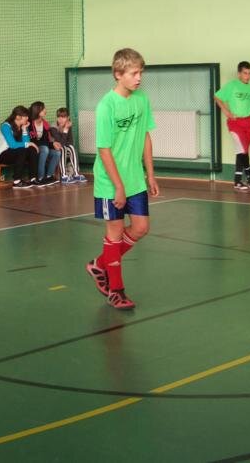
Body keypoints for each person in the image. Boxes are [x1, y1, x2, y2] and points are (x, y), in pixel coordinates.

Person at [85, 48, 160, 310]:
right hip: (110, 182)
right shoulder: (106, 106)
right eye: (134, 73)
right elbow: (104, 149)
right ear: (118, 74)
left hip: (135, 179)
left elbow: (146, 136)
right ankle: (116, 291)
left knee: (141, 227)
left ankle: (100, 264)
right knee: (115, 234)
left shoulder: (142, 99)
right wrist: (118, 186)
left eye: (141, 73)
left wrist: (150, 174)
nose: (139, 78)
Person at [214, 61, 250, 190]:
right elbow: (217, 97)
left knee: (242, 150)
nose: (248, 76)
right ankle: (249, 175)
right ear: (239, 73)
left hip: (248, 122)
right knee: (242, 149)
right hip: (235, 122)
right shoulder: (232, 85)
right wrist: (226, 111)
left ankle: (238, 181)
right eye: (245, 73)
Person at [0, 105, 40, 189]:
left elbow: (26, 143)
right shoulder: (5, 126)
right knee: (23, 149)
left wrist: (24, 129)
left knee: (31, 149)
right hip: (2, 155)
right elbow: (12, 145)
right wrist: (29, 144)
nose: (27, 118)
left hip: (15, 153)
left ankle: (33, 178)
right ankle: (17, 181)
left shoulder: (22, 126)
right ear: (18, 117)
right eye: (25, 116)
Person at [28, 101, 61, 186]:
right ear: (37, 111)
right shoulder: (29, 123)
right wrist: (50, 144)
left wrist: (53, 143)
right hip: (31, 148)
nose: (45, 110)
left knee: (57, 153)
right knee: (45, 149)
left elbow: (46, 141)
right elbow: (32, 140)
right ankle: (40, 178)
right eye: (43, 109)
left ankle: (49, 176)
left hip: (42, 147)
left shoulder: (45, 124)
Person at [50, 107, 86, 184]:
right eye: (59, 117)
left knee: (71, 147)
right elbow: (60, 143)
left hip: (64, 146)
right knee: (63, 148)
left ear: (68, 118)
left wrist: (67, 128)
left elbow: (70, 142)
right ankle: (64, 176)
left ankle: (76, 173)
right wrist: (66, 129)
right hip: (54, 148)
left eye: (63, 117)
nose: (60, 119)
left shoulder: (68, 125)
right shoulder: (53, 126)